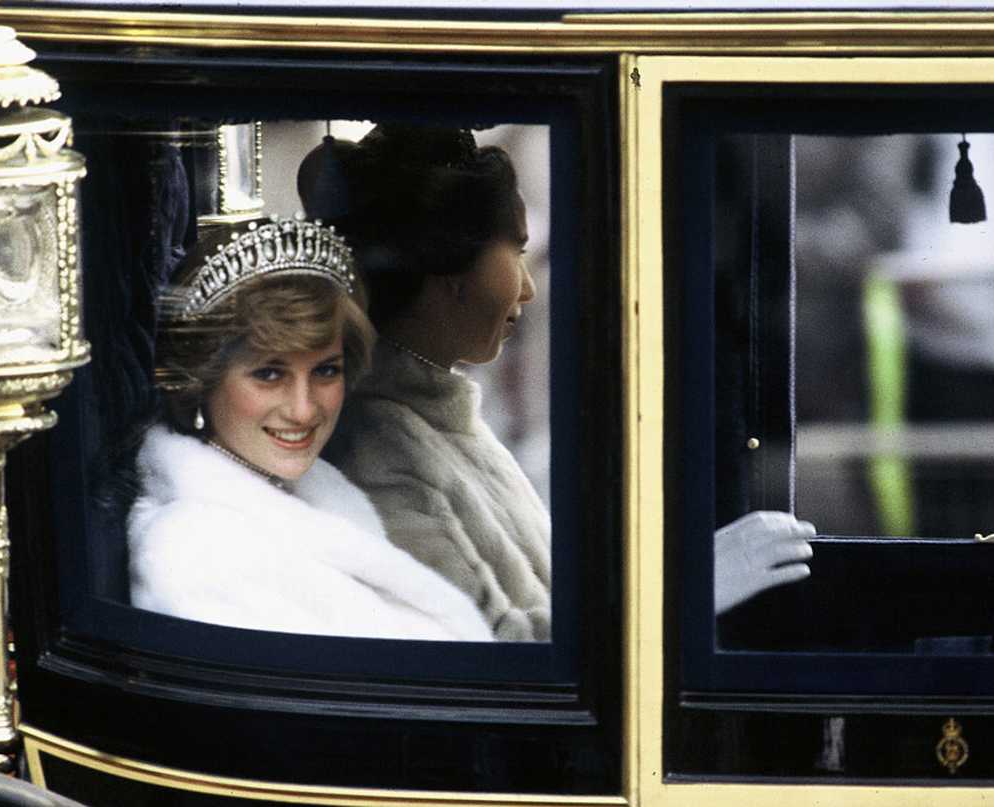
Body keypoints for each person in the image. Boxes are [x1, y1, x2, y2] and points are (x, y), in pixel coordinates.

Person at [307, 125, 813, 642]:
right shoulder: (381, 451)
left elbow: (541, 598)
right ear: (449, 274)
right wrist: (680, 595)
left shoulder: (431, 421)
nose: (526, 289)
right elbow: (492, 660)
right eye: (517, 253)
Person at [126, 213, 494, 641]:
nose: (303, 411)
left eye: (325, 371)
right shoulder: (188, 550)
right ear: (202, 379)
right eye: (269, 374)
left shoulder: (320, 496)